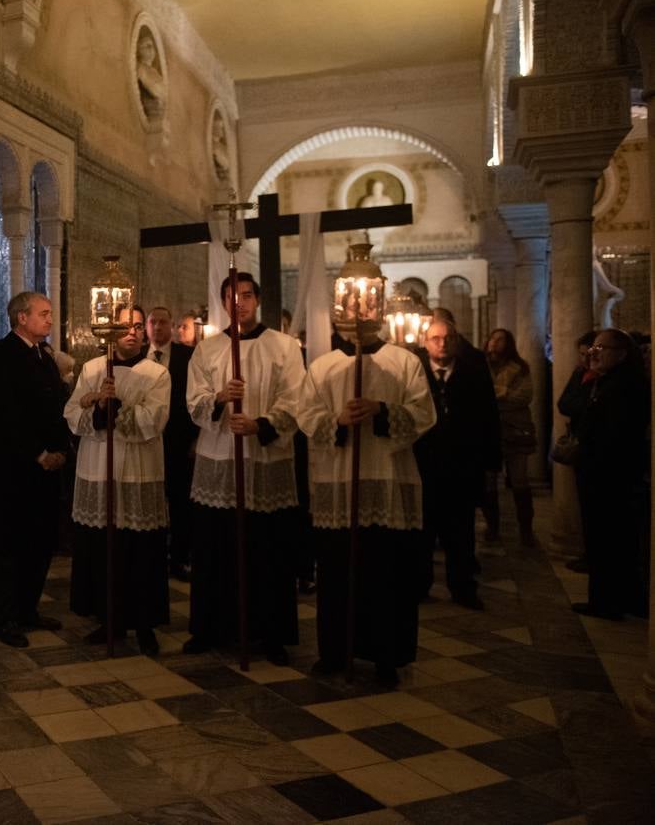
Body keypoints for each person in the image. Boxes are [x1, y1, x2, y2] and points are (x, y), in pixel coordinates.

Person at [297, 319, 436, 685]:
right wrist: (337, 421)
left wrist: (382, 409)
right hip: (339, 483)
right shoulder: (322, 366)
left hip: (387, 480)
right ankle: (334, 651)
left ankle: (386, 657)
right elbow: (307, 416)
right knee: (337, 573)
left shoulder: (404, 362)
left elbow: (424, 413)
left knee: (387, 576)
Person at [185, 273, 305, 663]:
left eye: (247, 295)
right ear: (222, 303)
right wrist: (219, 398)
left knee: (267, 552)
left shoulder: (285, 346)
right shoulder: (207, 350)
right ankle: (210, 627)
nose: (240, 303)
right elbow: (194, 401)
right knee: (215, 551)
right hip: (219, 462)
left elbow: (296, 399)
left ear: (258, 299)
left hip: (265, 460)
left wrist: (260, 425)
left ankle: (270, 634)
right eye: (232, 297)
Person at [65, 306, 170, 655]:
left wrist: (116, 404)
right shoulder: (93, 369)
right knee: (103, 550)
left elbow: (153, 419)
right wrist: (96, 409)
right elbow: (71, 413)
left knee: (139, 551)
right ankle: (109, 619)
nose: (133, 332)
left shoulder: (157, 373)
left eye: (139, 327)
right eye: (126, 326)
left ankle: (143, 623)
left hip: (139, 470)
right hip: (98, 469)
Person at [0, 291, 69, 648]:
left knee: (41, 541)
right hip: (15, 471)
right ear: (22, 317)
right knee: (12, 546)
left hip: (48, 470)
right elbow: (3, 415)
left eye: (50, 314)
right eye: (44, 314)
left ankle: (28, 609)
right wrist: (37, 453)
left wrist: (61, 448)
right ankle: (5, 618)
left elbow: (58, 407)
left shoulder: (44, 357)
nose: (50, 319)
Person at [558, 328, 650, 620]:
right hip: (601, 471)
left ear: (622, 354)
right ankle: (620, 599)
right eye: (593, 350)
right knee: (607, 540)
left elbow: (611, 429)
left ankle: (608, 603)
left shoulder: (625, 385)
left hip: (610, 474)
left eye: (602, 350)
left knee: (609, 540)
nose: (594, 355)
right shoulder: (606, 380)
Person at [413, 319, 500, 610]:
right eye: (435, 338)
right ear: (425, 341)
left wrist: (490, 466)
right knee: (421, 530)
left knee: (460, 532)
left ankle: (463, 588)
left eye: (448, 337)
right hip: (423, 466)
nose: (442, 343)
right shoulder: (415, 373)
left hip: (462, 466)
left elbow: (489, 419)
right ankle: (419, 584)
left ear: (457, 340)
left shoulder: (473, 372)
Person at [147, 306, 198, 581]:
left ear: (172, 326)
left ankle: (179, 558)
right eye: (152, 322)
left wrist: (195, 438)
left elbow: (195, 399)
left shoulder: (187, 357)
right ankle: (153, 557)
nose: (157, 327)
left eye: (163, 322)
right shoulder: (137, 358)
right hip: (145, 442)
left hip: (178, 440)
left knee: (179, 502)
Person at [483, 328, 537, 546]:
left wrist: (494, 398)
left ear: (509, 343)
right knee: (488, 482)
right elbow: (477, 395)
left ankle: (526, 530)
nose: (495, 343)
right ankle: (492, 527)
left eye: (500, 339)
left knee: (519, 481)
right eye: (493, 338)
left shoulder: (519, 368)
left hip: (515, 430)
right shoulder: (480, 366)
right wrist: (501, 394)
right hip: (489, 431)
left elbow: (523, 396)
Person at [558, 330, 598, 572]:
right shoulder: (581, 374)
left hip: (596, 451)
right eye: (581, 354)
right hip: (582, 447)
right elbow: (564, 403)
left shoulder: (601, 379)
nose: (584, 359)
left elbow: (583, 407)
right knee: (586, 505)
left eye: (589, 354)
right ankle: (588, 553)